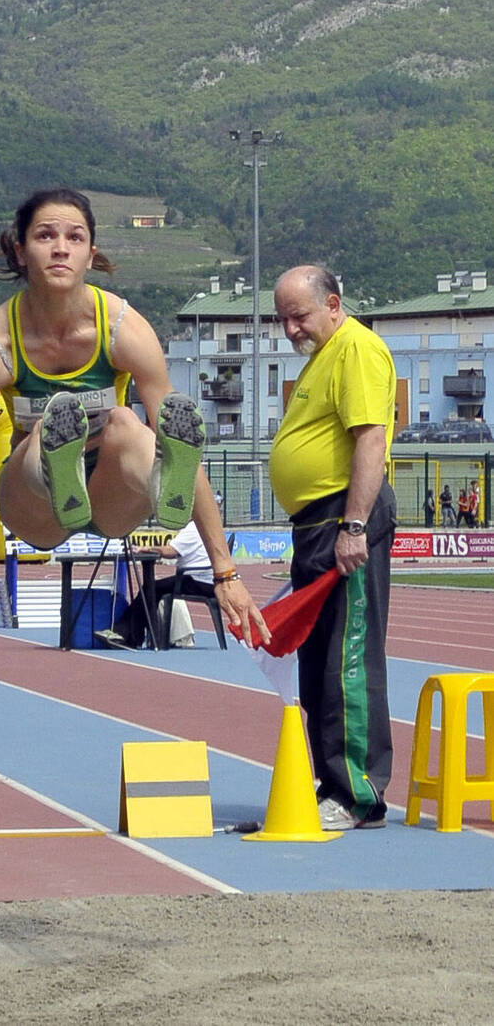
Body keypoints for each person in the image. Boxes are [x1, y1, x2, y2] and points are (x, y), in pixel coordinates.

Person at [0, 187, 269, 685]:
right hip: (34, 508)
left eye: (74, 238)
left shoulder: (123, 328)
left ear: (91, 255)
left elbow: (186, 449)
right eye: (45, 235)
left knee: (126, 424)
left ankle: (161, 486)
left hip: (111, 497)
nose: (60, 247)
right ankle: (56, 464)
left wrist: (225, 573)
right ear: (20, 251)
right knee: (36, 444)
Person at [269, 265, 397, 832]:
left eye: (299, 316)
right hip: (315, 522)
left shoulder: (356, 349)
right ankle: (330, 784)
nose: (292, 330)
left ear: (334, 304)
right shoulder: (323, 357)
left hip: (343, 515)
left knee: (346, 657)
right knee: (317, 657)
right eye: (283, 321)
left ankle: (358, 795)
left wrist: (353, 526)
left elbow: (370, 437)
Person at [95, 519, 213, 649]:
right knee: (152, 589)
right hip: (207, 581)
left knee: (150, 589)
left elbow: (171, 551)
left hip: (195, 580)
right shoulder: (208, 525)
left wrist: (148, 548)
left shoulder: (193, 527)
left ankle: (127, 635)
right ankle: (134, 635)